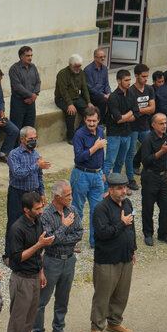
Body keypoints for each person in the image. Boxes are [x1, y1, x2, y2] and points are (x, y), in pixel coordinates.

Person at [3, 192, 53, 332]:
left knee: (31, 314)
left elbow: (38, 255)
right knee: (18, 317)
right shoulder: (17, 229)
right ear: (26, 210)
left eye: (41, 207)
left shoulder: (37, 222)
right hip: (21, 278)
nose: (41, 211)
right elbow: (17, 258)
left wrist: (41, 272)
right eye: (37, 209)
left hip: (34, 276)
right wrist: (39, 244)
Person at [32, 180, 83, 332]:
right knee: (42, 300)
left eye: (70, 194)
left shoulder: (72, 210)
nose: (71, 197)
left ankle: (58, 330)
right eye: (67, 195)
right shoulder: (45, 215)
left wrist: (61, 236)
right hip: (51, 261)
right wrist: (64, 226)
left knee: (63, 298)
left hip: (69, 260)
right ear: (56, 196)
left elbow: (79, 234)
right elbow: (49, 242)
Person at [89, 173, 136, 332]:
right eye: (119, 188)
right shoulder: (101, 209)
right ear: (110, 190)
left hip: (125, 257)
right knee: (103, 295)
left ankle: (114, 322)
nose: (124, 191)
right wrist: (121, 223)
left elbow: (132, 229)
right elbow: (102, 233)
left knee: (121, 293)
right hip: (107, 260)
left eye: (124, 187)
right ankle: (96, 327)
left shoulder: (128, 204)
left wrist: (133, 250)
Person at [3, 126, 50, 262]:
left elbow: (39, 176)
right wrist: (36, 166)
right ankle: (9, 255)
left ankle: (31, 251)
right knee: (13, 223)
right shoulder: (14, 154)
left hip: (33, 193)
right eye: (30, 139)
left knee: (34, 222)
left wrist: (41, 193)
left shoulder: (35, 154)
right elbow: (18, 174)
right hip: (17, 193)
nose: (33, 141)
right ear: (22, 139)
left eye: (35, 139)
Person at [139, 114, 167, 246]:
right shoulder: (148, 140)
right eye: (161, 123)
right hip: (150, 177)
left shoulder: (166, 137)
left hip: (163, 177)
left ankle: (163, 234)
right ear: (153, 125)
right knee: (148, 207)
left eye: (165, 123)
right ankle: (148, 234)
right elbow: (146, 161)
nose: (164, 126)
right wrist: (161, 151)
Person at [71, 106, 106, 248]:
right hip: (82, 174)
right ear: (84, 120)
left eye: (94, 121)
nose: (92, 124)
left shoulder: (101, 132)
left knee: (97, 210)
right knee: (77, 209)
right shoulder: (79, 135)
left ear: (98, 120)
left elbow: (101, 155)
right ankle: (73, 241)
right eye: (89, 121)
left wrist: (102, 171)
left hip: (97, 175)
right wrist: (95, 147)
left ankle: (94, 240)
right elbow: (79, 157)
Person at [104, 70, 138, 194]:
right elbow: (118, 119)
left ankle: (117, 188)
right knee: (109, 162)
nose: (129, 82)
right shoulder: (113, 97)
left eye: (130, 80)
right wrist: (130, 114)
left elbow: (137, 113)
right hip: (114, 134)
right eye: (126, 80)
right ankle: (104, 189)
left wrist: (126, 116)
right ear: (119, 81)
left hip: (127, 133)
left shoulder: (131, 94)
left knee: (119, 162)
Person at [126, 64, 155, 188]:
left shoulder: (149, 89)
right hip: (132, 127)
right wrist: (144, 109)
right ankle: (130, 178)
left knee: (150, 147)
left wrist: (139, 110)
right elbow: (132, 110)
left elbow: (153, 108)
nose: (145, 79)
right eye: (143, 76)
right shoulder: (131, 91)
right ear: (136, 76)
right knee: (130, 152)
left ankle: (149, 173)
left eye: (147, 76)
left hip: (145, 125)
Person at [55, 54, 93, 144]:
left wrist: (88, 102)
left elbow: (84, 88)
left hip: (76, 97)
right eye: (76, 66)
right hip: (62, 99)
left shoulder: (81, 73)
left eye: (79, 66)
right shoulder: (62, 74)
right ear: (70, 65)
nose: (78, 68)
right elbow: (63, 91)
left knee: (89, 112)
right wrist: (70, 104)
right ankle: (71, 137)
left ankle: (78, 132)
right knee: (71, 113)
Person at [8, 46, 41, 131]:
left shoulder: (33, 67)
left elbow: (38, 82)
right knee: (17, 128)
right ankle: (17, 144)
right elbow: (17, 86)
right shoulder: (14, 69)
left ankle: (28, 144)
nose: (30, 58)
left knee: (30, 128)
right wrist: (31, 95)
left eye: (31, 55)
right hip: (19, 102)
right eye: (28, 56)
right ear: (21, 57)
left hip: (31, 103)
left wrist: (34, 95)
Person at [84, 48, 111, 121]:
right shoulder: (88, 70)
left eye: (104, 57)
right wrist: (104, 95)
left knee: (114, 98)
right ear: (95, 58)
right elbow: (91, 88)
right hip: (93, 94)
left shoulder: (104, 68)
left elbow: (106, 83)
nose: (103, 58)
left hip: (103, 92)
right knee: (103, 100)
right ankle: (100, 121)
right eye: (100, 57)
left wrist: (108, 93)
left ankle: (108, 120)